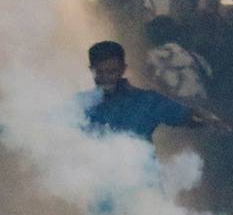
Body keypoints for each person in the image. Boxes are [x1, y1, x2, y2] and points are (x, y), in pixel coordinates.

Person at [78, 40, 224, 140]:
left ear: (123, 69)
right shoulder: (79, 105)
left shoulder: (146, 101)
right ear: (92, 70)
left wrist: (211, 121)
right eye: (100, 72)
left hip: (140, 181)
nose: (106, 78)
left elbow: (186, 115)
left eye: (112, 71)